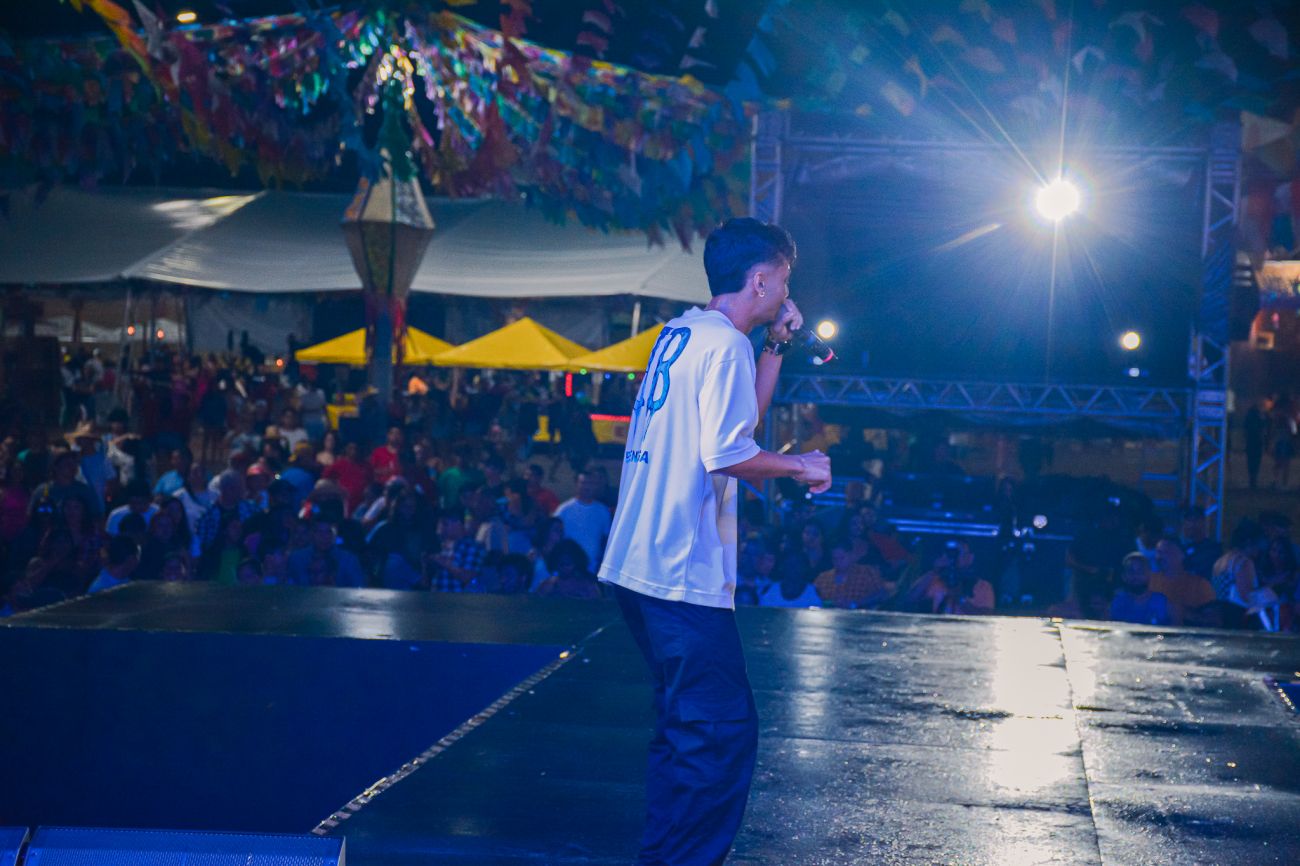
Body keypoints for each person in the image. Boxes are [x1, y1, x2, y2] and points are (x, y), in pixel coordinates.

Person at [597, 217, 831, 865]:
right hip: (678, 570)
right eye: (783, 280)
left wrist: (776, 346)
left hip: (638, 564)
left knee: (686, 732)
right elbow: (728, 453)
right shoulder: (724, 346)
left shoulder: (684, 333)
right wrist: (801, 465)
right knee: (719, 737)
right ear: (759, 280)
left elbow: (738, 424)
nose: (787, 293)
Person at [1149, 537, 1217, 627]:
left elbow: (1213, 619)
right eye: (1158, 552)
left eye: (1166, 552)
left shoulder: (1200, 585)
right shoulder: (1149, 581)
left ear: (1181, 555)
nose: (1160, 557)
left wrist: (1184, 613)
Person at [555, 471, 612, 572]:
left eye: (590, 483)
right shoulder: (563, 510)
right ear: (576, 484)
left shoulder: (603, 511)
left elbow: (606, 539)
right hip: (567, 567)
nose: (587, 487)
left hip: (593, 567)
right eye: (583, 483)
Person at [1108, 552, 1171, 625]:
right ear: (1124, 576)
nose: (1136, 575)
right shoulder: (1117, 601)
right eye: (1131, 571)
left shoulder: (1162, 602)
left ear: (1149, 574)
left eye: (1140, 571)